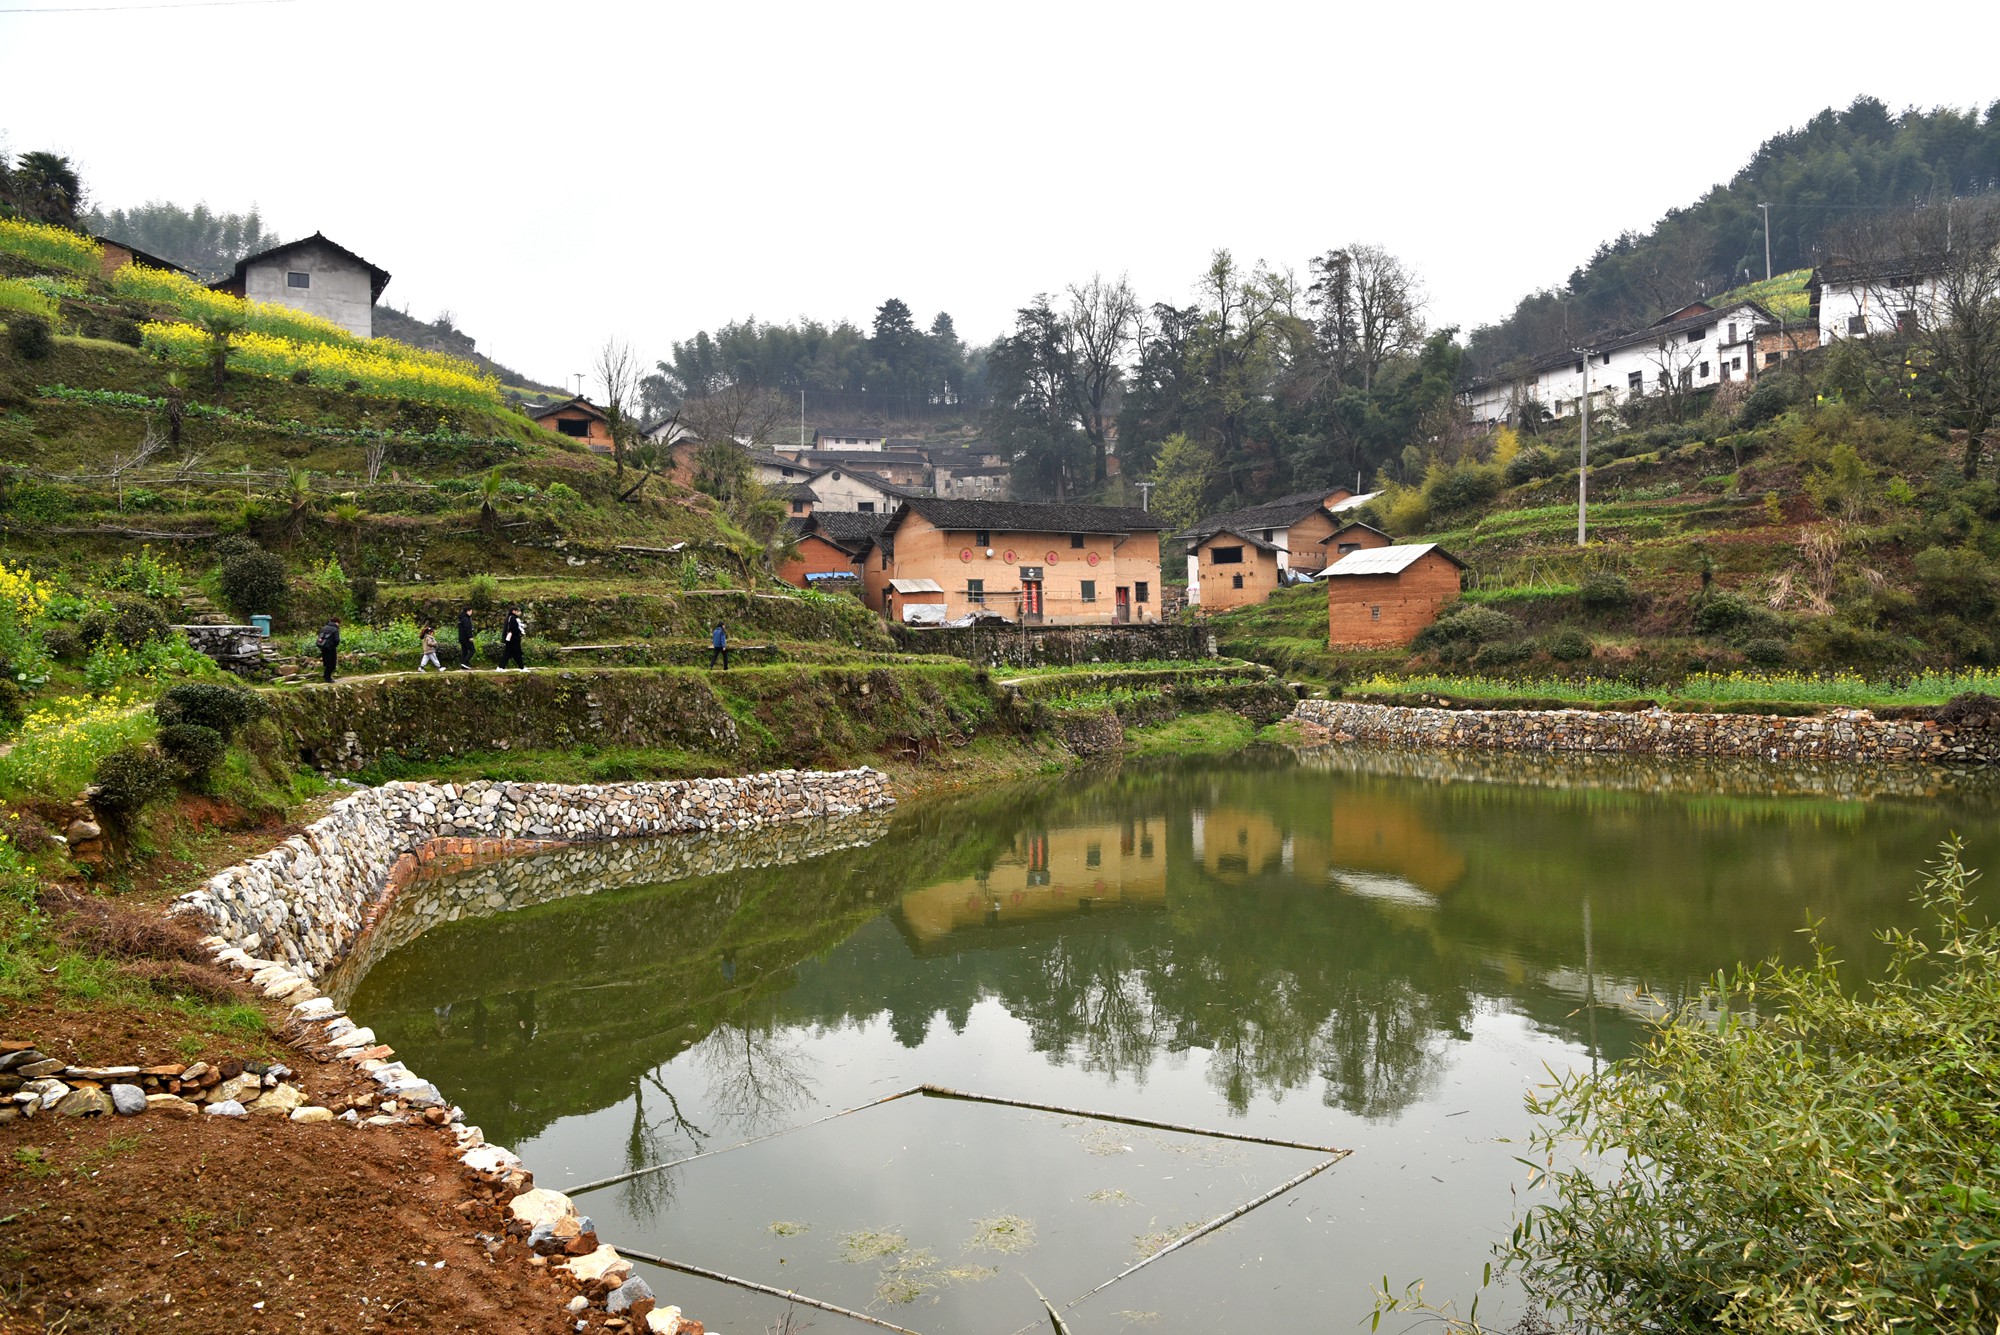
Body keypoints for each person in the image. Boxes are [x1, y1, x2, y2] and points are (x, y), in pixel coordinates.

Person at [316, 617, 341, 684]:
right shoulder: (335, 629)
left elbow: (320, 637)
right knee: (332, 664)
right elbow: (337, 640)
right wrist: (334, 645)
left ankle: (326, 676)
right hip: (331, 648)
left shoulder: (324, 628)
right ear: (337, 622)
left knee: (326, 662)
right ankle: (327, 678)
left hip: (323, 647)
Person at [500, 606, 526, 671]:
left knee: (509, 654)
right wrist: (520, 632)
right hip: (513, 639)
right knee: (516, 653)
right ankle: (522, 668)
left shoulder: (509, 617)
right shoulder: (512, 618)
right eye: (517, 611)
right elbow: (514, 628)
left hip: (510, 639)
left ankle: (501, 667)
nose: (518, 612)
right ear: (513, 611)